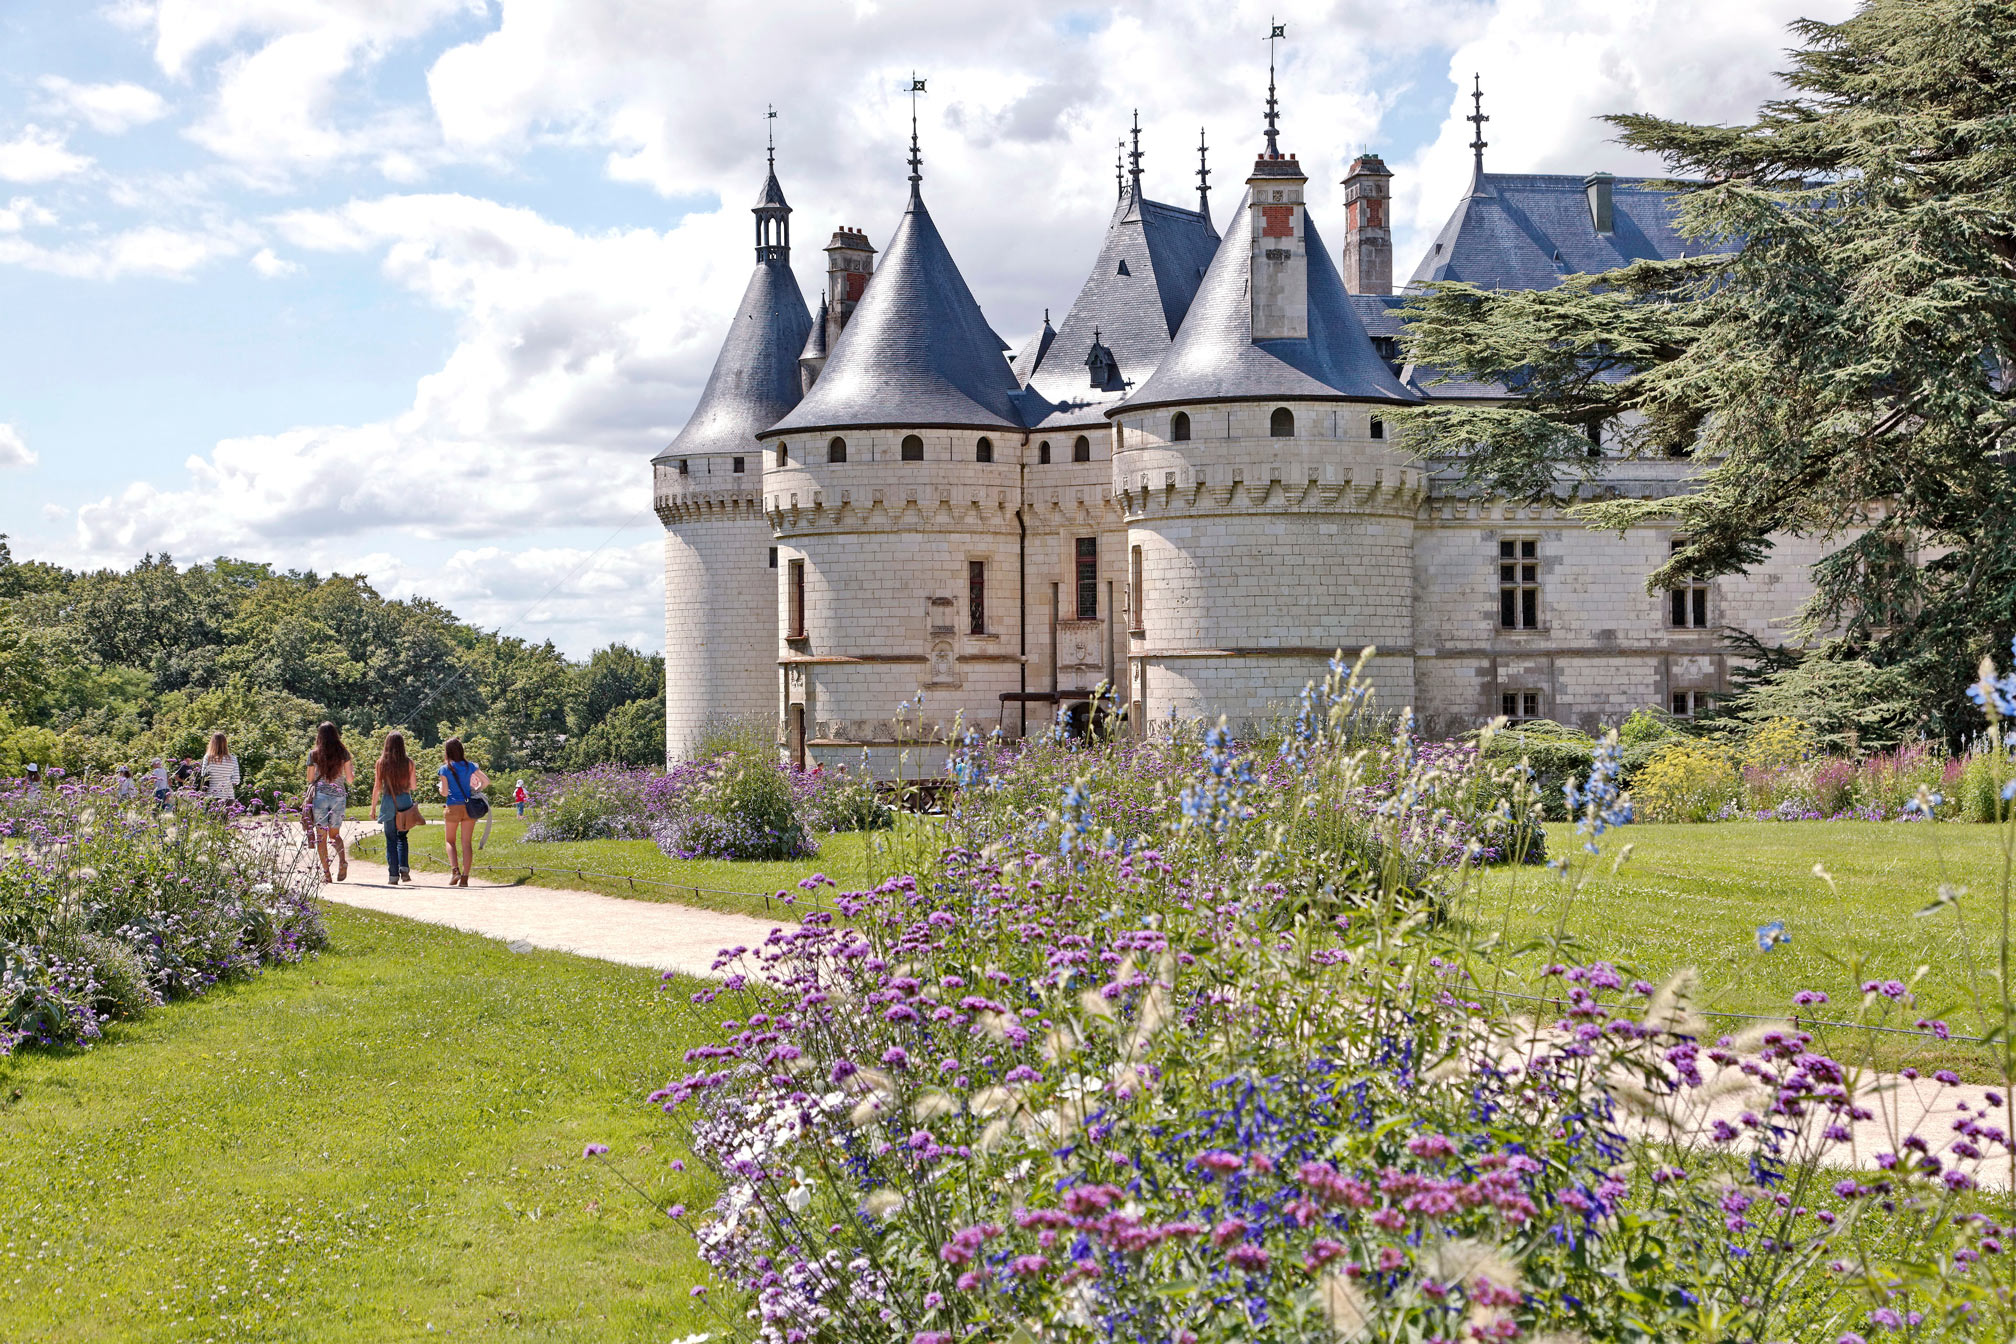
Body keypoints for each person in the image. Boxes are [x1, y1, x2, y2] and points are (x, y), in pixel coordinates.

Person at [436, 736, 488, 887]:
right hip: (468, 807)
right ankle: (465, 877)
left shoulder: (445, 769)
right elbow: (486, 781)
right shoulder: (470, 766)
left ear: (447, 752)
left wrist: (440, 789)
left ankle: (455, 871)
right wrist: (477, 790)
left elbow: (445, 793)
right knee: (466, 843)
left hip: (452, 807)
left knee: (450, 841)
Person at [305, 722, 353, 882]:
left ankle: (326, 873)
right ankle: (342, 861)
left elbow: (310, 779)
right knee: (335, 835)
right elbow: (350, 779)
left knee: (321, 836)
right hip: (339, 796)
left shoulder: (314, 754)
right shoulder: (344, 753)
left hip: (321, 797)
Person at [369, 730, 416, 886]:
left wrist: (373, 808)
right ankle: (404, 868)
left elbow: (377, 787)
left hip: (389, 801)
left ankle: (393, 875)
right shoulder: (409, 762)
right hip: (404, 800)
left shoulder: (381, 763)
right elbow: (413, 786)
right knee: (402, 837)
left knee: (391, 839)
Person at [198, 733, 239, 803]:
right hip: (228, 796)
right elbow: (236, 780)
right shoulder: (233, 759)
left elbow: (203, 776)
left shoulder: (208, 757)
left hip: (211, 795)